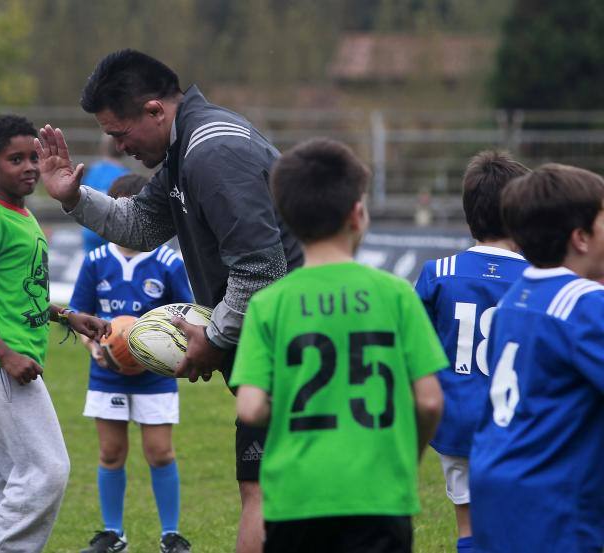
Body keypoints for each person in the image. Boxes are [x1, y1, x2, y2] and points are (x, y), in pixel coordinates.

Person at [36, 50, 304, 553]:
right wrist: (73, 197)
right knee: (265, 488)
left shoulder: (212, 153)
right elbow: (141, 223)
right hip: (272, 347)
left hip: (292, 353)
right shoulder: (187, 150)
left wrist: (215, 338)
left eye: (121, 133)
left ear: (155, 110)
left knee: (277, 491)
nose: (119, 147)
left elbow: (261, 268)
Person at [229, 138, 446, 553]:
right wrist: (406, 461)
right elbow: (431, 402)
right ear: (357, 214)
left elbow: (251, 407)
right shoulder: (397, 294)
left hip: (296, 497)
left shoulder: (269, 303)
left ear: (287, 221)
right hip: (380, 494)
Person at [0, 114, 109, 553]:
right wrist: (4, 355)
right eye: (15, 159)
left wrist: (67, 315)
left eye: (33, 157)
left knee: (3, 475)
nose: (30, 166)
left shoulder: (22, 217)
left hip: (4, 362)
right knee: (47, 469)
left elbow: (22, 291)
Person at [470, 164, 604, 553]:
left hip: (497, 482)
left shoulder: (516, 297)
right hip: (553, 499)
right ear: (581, 238)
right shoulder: (582, 305)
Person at [413, 151, 529, 553]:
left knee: (469, 527)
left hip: (457, 422)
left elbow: (413, 351)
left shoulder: (437, 274)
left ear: (468, 215)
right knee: (521, 523)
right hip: (517, 421)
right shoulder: (538, 279)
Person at [72, 174, 195, 553]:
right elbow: (79, 314)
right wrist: (96, 349)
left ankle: (170, 534)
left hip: (155, 376)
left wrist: (163, 352)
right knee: (110, 452)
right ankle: (113, 533)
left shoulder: (168, 262)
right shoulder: (95, 262)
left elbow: (186, 316)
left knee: (160, 452)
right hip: (106, 372)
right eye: (119, 210)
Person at [80, 134, 130, 253]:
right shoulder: (126, 176)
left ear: (103, 148)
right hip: (111, 235)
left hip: (90, 231)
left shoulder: (93, 171)